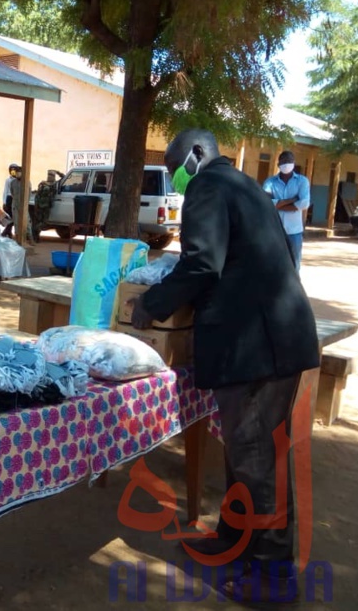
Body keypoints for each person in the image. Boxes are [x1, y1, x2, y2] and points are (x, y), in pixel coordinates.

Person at [129, 129, 319, 603]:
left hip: (256, 345)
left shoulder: (207, 186)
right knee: (246, 453)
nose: (175, 172)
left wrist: (150, 304)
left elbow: (201, 264)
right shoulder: (245, 185)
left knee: (258, 460)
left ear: (197, 155)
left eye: (175, 162)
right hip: (276, 336)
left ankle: (275, 576)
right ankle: (235, 543)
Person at [262, 151, 311, 271]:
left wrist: (278, 204)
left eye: (289, 161)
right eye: (283, 161)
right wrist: (293, 200)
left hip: (294, 231)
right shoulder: (270, 182)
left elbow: (304, 203)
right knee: (272, 264)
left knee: (294, 265)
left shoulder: (302, 181)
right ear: (278, 164)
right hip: (274, 230)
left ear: (294, 163)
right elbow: (265, 202)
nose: (286, 164)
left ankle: (293, 289)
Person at [10, 163, 34, 244]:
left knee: (27, 222)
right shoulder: (13, 182)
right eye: (16, 172)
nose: (17, 174)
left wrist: (24, 203)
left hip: (24, 205)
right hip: (15, 205)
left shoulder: (27, 182)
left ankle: (30, 238)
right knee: (16, 222)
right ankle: (17, 239)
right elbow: (12, 192)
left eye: (19, 172)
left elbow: (29, 194)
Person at [1, 163, 20, 237]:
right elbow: (5, 191)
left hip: (15, 199)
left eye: (14, 170)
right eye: (11, 170)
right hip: (9, 199)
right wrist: (4, 202)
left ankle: (7, 231)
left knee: (14, 217)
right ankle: (6, 232)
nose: (13, 171)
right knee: (11, 217)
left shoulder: (18, 180)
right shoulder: (8, 180)